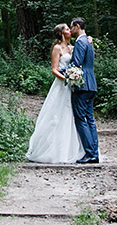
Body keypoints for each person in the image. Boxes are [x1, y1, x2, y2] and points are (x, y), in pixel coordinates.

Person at [25, 23, 85, 164]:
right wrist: (67, 79)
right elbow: (54, 69)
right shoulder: (57, 48)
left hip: (72, 86)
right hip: (62, 85)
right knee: (58, 115)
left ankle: (74, 149)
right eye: (67, 29)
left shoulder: (72, 48)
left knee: (72, 115)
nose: (70, 31)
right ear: (61, 33)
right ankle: (54, 150)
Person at [69, 17, 99, 163]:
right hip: (91, 83)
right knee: (90, 119)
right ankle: (94, 153)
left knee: (81, 119)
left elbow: (76, 63)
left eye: (71, 27)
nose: (70, 30)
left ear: (77, 26)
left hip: (82, 84)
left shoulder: (80, 42)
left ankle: (90, 153)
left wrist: (62, 70)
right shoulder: (88, 41)